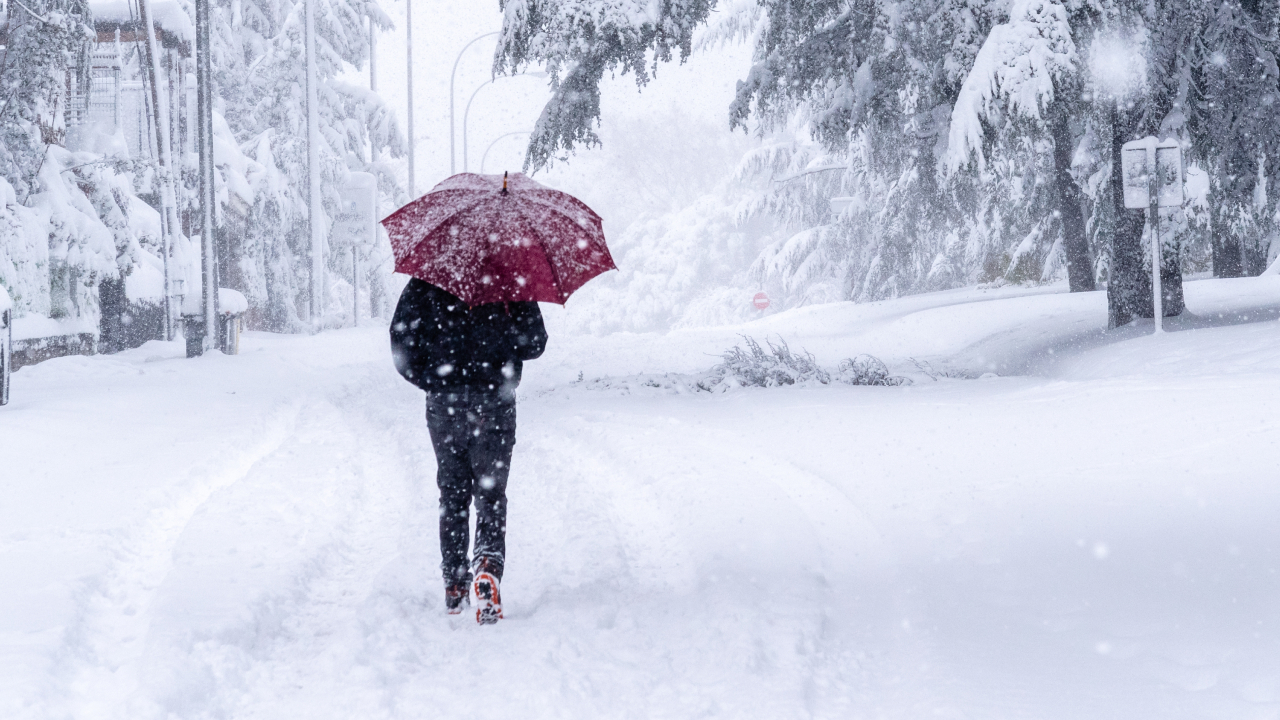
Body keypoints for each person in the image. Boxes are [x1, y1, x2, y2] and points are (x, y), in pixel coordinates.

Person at [390, 278, 547, 624]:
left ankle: (455, 583)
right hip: (495, 400)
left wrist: (430, 379)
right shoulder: (511, 279)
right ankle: (488, 565)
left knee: (453, 492)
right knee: (491, 492)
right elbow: (535, 343)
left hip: (444, 403)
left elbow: (401, 341)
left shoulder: (426, 280)